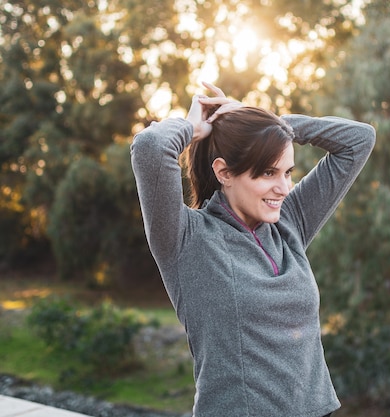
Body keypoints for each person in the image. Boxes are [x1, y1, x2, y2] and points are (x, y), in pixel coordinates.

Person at [130, 82, 376, 417]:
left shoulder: (289, 223)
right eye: (267, 173)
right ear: (224, 172)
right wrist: (194, 127)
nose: (284, 188)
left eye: (288, 172)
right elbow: (150, 146)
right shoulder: (186, 239)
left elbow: (359, 140)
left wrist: (269, 123)